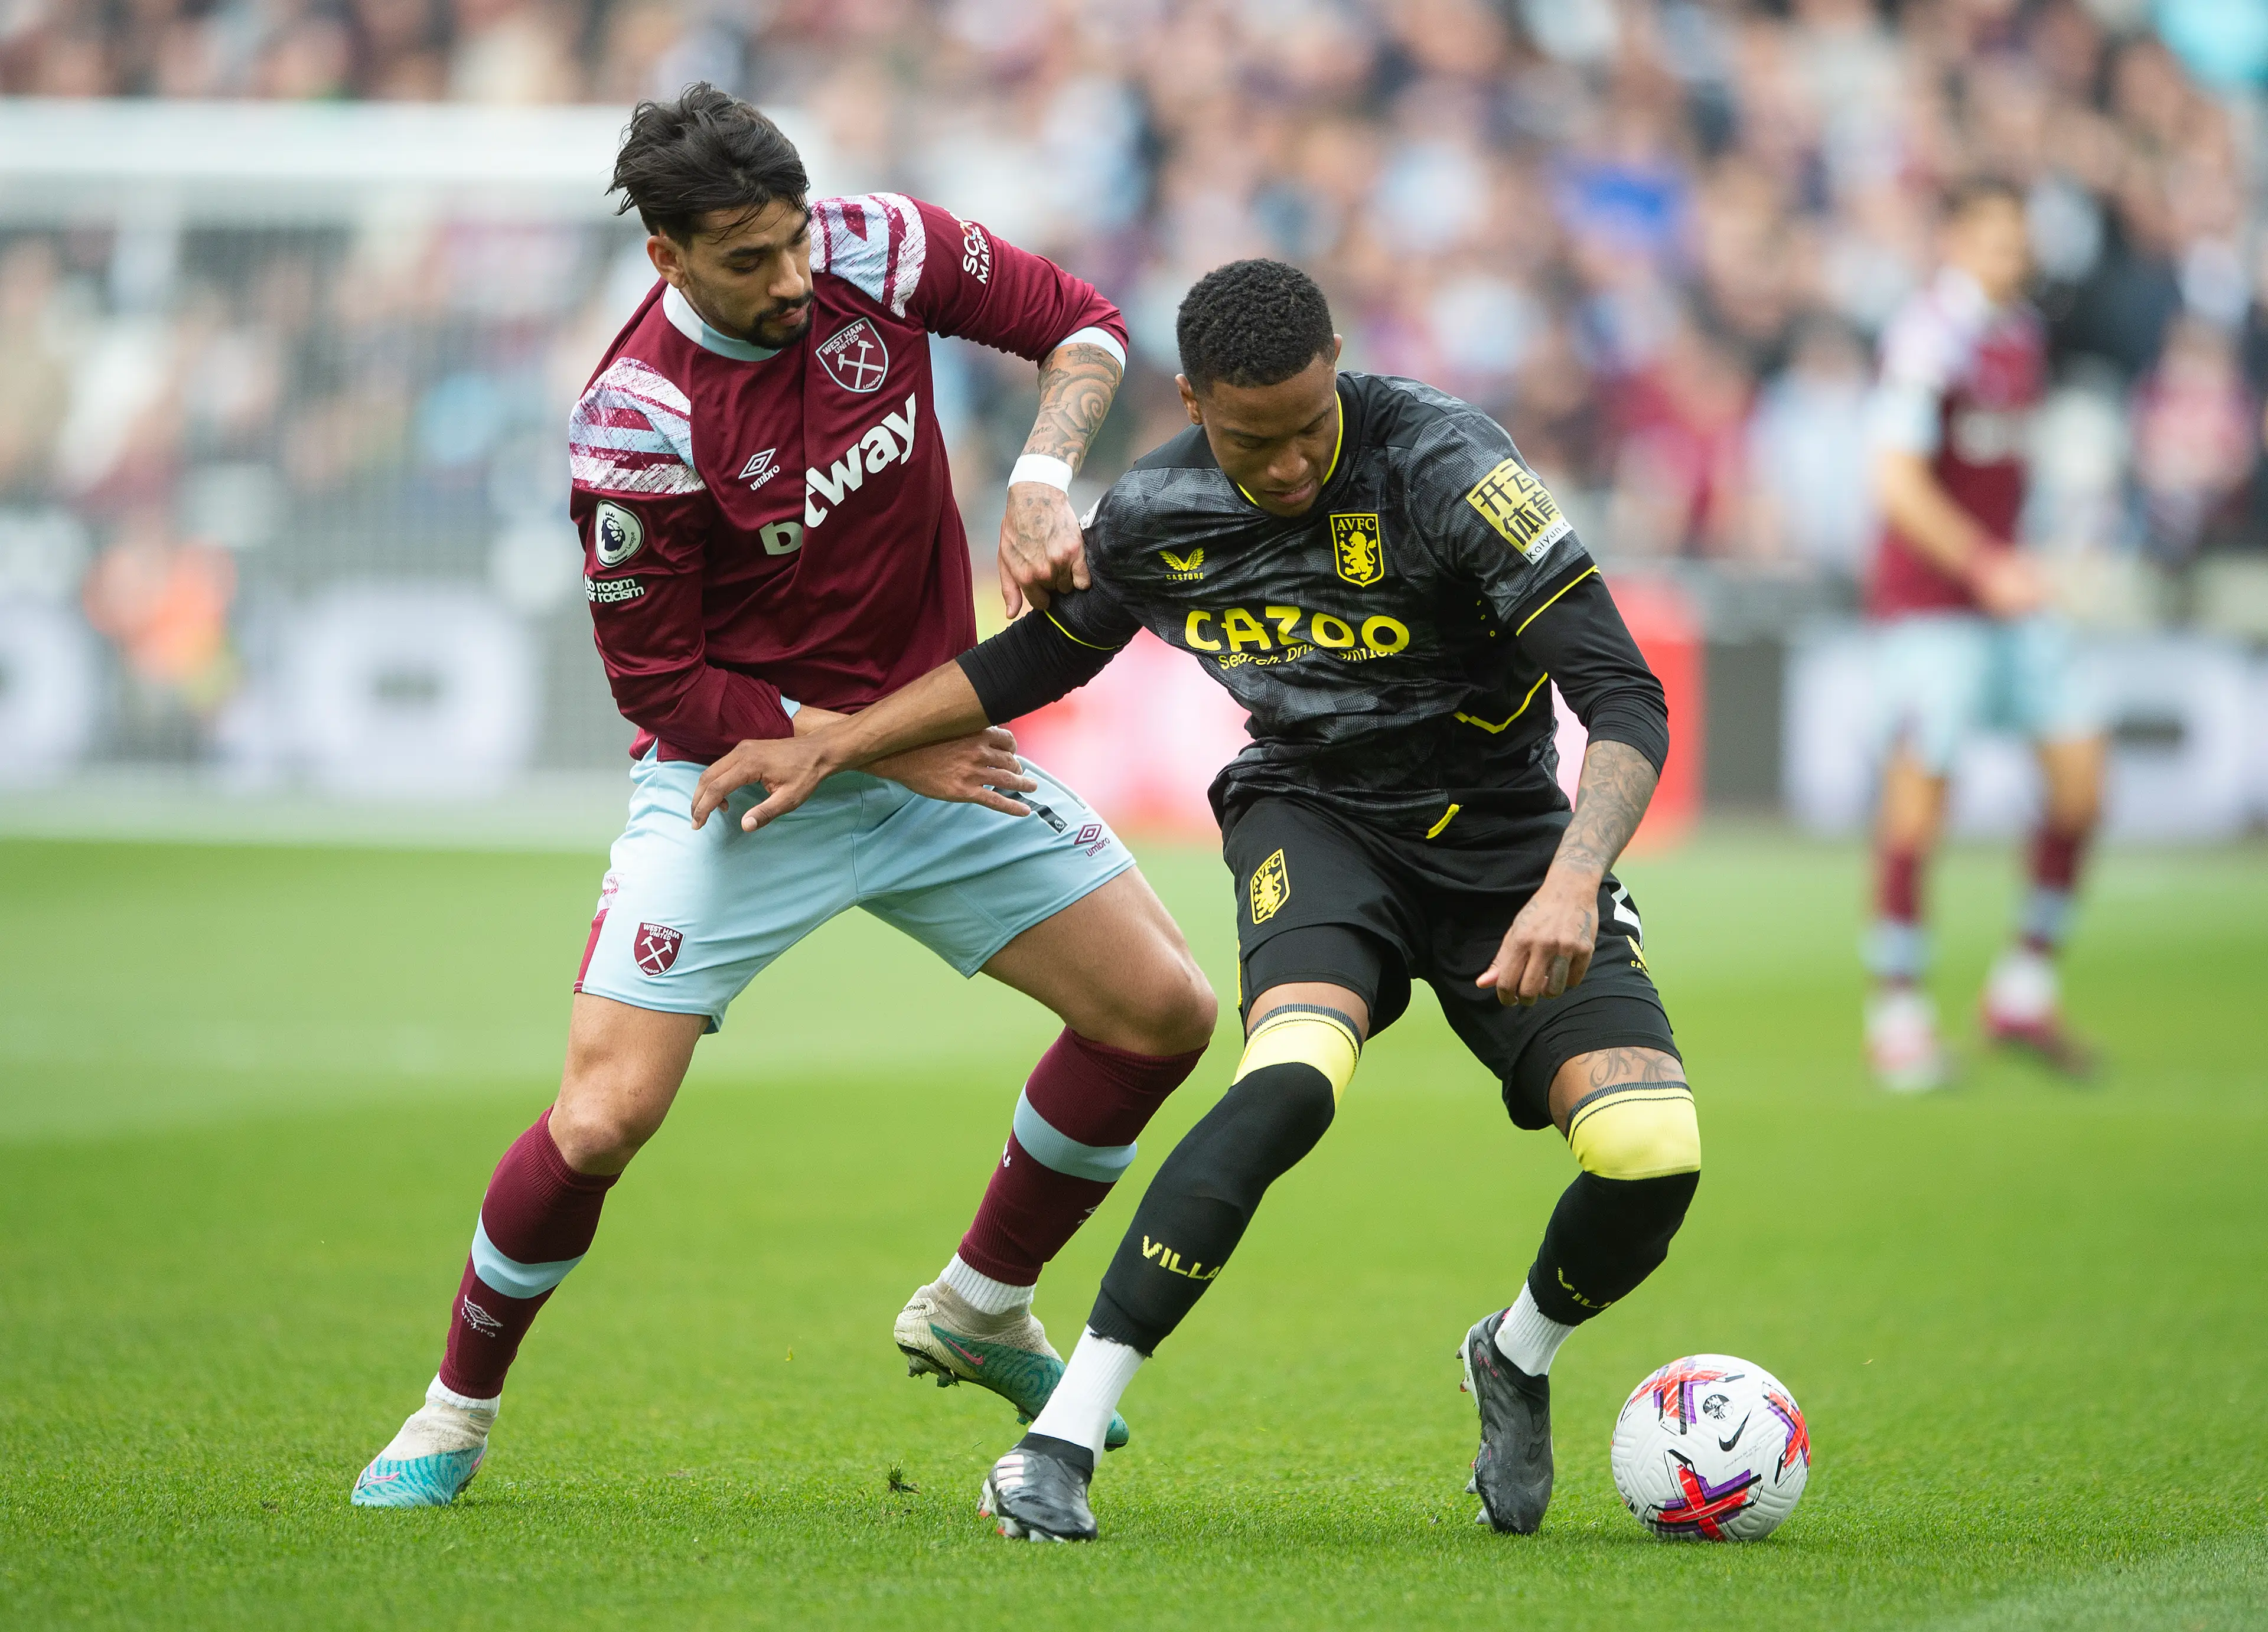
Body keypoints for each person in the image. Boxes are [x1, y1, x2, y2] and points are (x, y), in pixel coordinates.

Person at [692, 260, 1700, 1542]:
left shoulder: (1453, 470)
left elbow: (1626, 694)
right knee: (1291, 1072)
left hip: (1512, 847)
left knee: (1648, 1154)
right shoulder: (1163, 506)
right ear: (1191, 400)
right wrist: (831, 742)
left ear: (1340, 360)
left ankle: (1515, 1352)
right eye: (1249, 438)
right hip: (1317, 816)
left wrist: (1572, 880)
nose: (1284, 468)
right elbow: (1035, 659)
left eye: (1308, 426)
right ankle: (1059, 1438)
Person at [350, 86, 1217, 1508]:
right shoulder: (635, 419)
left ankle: (981, 1301)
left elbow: (1087, 323)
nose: (793, 278)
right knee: (600, 1121)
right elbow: (661, 687)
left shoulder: (877, 248)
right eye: (747, 259)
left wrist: (1044, 474)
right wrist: (873, 743)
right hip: (745, 788)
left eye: (794, 239)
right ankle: (452, 1411)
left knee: (1163, 1012)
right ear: (667, 260)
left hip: (931, 753)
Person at [1863, 178, 2104, 1092]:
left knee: (2081, 784)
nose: (2016, 257)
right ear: (1956, 241)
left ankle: (2024, 990)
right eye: (1999, 241)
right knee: (1919, 802)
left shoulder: (2020, 337)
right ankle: (1896, 1013)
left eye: (2021, 241)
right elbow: (1896, 481)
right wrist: (1984, 565)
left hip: (2011, 598)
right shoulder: (1930, 338)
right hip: (1936, 606)